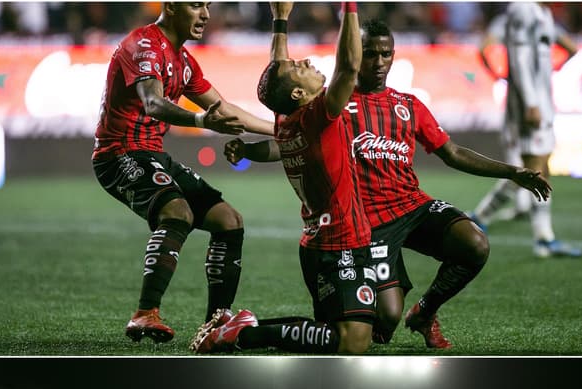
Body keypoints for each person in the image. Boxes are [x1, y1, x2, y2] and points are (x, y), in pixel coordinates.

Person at [225, 17, 553, 349]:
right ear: (357, 53)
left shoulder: (407, 105)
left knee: (474, 244)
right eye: (370, 54)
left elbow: (451, 152)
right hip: (369, 222)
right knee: (384, 324)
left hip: (412, 206)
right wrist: (250, 151)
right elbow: (289, 142)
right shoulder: (333, 105)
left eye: (387, 53)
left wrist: (511, 171)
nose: (380, 62)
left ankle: (425, 312)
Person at [91, 1, 274, 345]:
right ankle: (145, 312)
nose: (205, 14)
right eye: (195, 5)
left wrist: (284, 130)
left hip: (154, 154)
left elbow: (227, 110)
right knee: (178, 212)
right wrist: (202, 121)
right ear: (172, 6)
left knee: (229, 221)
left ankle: (216, 322)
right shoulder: (143, 45)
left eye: (207, 6)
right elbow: (153, 103)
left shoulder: (184, 61)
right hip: (118, 153)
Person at [199, 1, 375, 355]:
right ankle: (243, 336)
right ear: (299, 94)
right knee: (352, 342)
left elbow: (277, 75)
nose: (307, 61)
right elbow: (350, 66)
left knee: (336, 332)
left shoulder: (287, 119)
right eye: (300, 67)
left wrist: (280, 19)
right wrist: (349, 6)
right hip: (340, 241)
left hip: (317, 243)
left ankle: (242, 327)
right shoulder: (317, 116)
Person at [472, 3, 581, 257]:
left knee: (536, 167)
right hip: (526, 105)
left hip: (540, 102)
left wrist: (547, 76)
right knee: (533, 168)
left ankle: (481, 216)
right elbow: (519, 58)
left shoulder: (543, 13)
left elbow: (567, 48)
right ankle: (543, 240)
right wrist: (531, 101)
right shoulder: (523, 9)